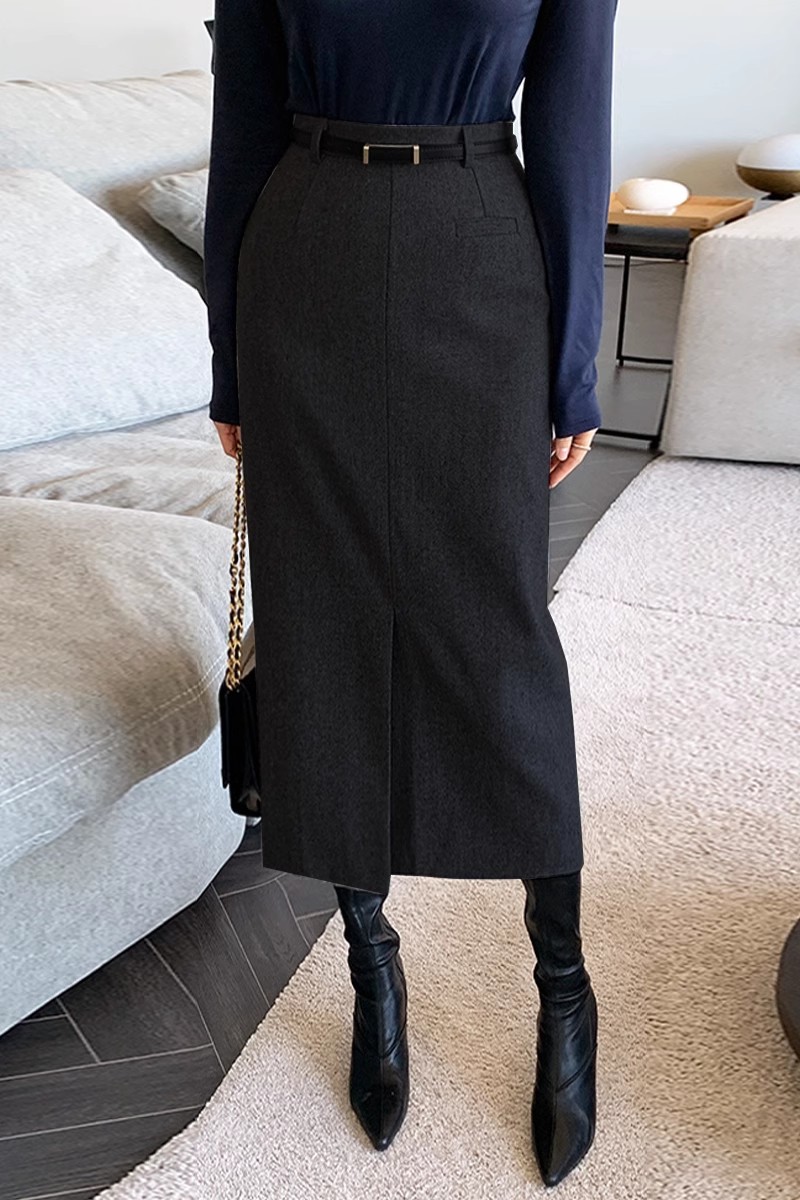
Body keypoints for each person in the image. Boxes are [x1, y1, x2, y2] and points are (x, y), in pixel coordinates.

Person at [204, 0, 617, 1185]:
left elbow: (572, 129)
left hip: (476, 254)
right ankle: (370, 968)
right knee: (323, 627)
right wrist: (229, 358)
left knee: (497, 641)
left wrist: (570, 366)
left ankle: (563, 987)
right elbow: (244, 127)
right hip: (304, 265)